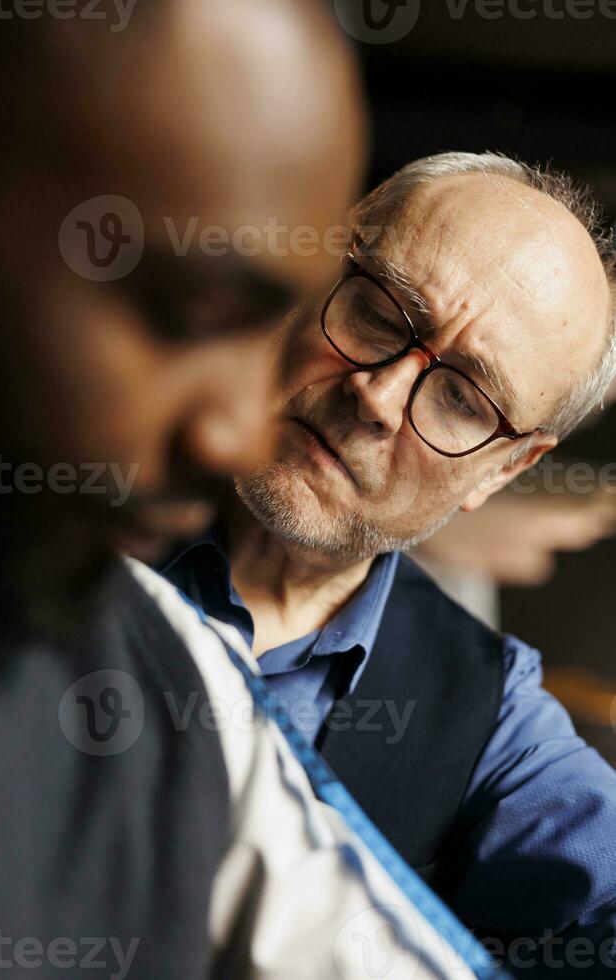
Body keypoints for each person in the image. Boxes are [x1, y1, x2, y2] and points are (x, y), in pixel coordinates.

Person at [0, 5, 485, 980]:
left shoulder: (177, 693)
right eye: (190, 314)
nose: (239, 432)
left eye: (463, 397)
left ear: (507, 469)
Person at [166, 151, 616, 976]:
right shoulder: (74, 496)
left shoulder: (493, 723)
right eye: (380, 313)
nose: (377, 396)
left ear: (504, 469)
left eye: (461, 397)